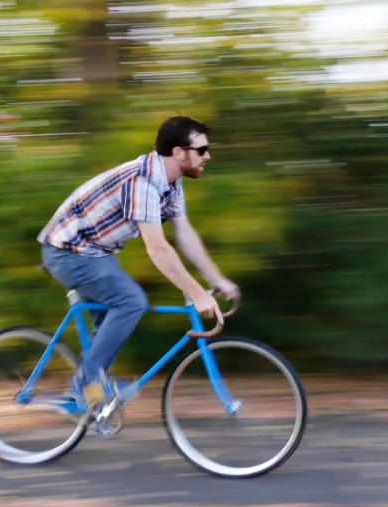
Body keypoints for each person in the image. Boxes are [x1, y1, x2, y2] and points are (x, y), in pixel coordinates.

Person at [37, 116, 240, 413]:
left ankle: (88, 395)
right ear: (179, 152)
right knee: (131, 301)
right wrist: (196, 293)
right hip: (68, 252)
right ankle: (86, 387)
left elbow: (184, 234)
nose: (208, 155)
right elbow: (157, 247)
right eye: (202, 149)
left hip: (93, 252)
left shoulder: (171, 182)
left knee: (109, 323)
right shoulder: (142, 182)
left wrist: (217, 280)